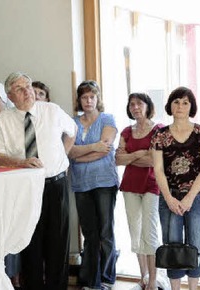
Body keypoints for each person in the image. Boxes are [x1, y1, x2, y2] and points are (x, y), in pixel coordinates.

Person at [0, 72, 76, 290]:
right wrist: (21, 162)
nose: (27, 91)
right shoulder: (3, 120)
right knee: (30, 244)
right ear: (10, 96)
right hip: (24, 187)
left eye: (28, 85)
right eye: (19, 88)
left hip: (56, 185)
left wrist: (61, 157)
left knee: (58, 245)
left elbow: (72, 132)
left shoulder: (52, 110)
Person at [151, 87, 200, 290]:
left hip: (196, 198)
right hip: (169, 198)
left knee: (196, 243)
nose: (180, 106)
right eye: (176, 101)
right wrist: (169, 198)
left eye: (185, 102)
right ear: (170, 105)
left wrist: (189, 198)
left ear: (191, 107)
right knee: (172, 244)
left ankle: (194, 288)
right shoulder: (159, 134)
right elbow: (158, 169)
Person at [68, 80, 119, 290]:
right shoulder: (72, 122)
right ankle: (91, 280)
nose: (88, 101)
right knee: (89, 233)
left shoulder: (107, 118)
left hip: (104, 182)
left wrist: (80, 157)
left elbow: (105, 149)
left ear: (98, 99)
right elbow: (69, 152)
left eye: (92, 97)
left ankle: (107, 278)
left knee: (106, 232)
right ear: (79, 100)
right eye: (84, 97)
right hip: (81, 184)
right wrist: (91, 148)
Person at [115, 93, 163, 290]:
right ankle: (143, 277)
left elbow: (154, 160)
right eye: (132, 104)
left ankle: (153, 280)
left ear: (147, 106)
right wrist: (138, 154)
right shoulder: (126, 131)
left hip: (152, 184)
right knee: (135, 230)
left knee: (149, 231)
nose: (135, 107)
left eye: (139, 103)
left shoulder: (158, 130)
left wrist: (130, 157)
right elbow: (118, 159)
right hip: (130, 185)